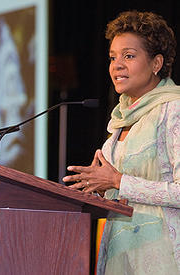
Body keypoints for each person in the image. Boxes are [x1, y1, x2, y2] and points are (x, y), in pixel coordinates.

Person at [63, 10, 180, 274]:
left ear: (156, 63)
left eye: (129, 56)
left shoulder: (173, 110)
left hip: (163, 259)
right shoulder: (118, 122)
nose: (116, 65)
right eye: (113, 57)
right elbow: (121, 193)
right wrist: (98, 190)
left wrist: (117, 181)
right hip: (120, 255)